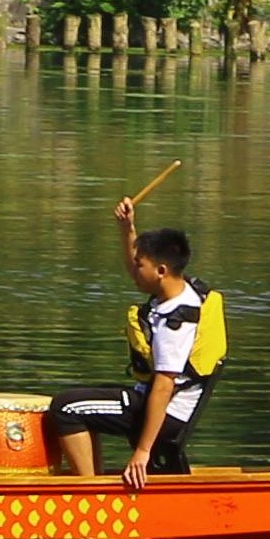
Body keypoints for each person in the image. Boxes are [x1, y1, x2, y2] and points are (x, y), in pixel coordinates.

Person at [52, 197, 222, 490]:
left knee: (66, 408)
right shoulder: (181, 289)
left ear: (161, 271)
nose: (134, 270)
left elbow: (164, 385)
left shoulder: (176, 321)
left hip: (165, 412)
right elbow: (137, 265)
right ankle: (92, 480)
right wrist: (127, 228)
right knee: (79, 401)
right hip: (157, 401)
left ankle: (89, 494)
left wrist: (142, 452)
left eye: (140, 264)